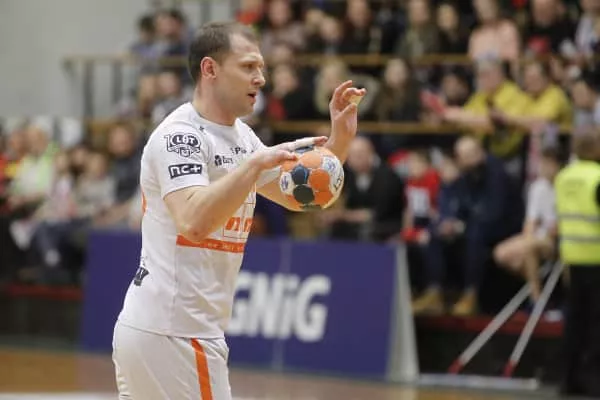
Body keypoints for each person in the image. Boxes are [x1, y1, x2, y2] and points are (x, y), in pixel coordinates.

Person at [111, 21, 365, 400]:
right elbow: (193, 222)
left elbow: (299, 196)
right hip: (175, 332)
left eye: (261, 67)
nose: (261, 78)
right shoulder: (179, 136)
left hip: (176, 332)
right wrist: (252, 168)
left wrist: (340, 139)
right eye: (248, 67)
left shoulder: (242, 137)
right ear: (210, 69)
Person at [555, 128, 600, 397]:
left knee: (574, 322)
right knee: (595, 324)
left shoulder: (563, 177)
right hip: (596, 258)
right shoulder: (597, 177)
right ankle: (592, 379)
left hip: (571, 256)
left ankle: (567, 379)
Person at [493, 147, 562, 303]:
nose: (543, 168)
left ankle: (536, 300)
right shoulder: (537, 187)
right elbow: (531, 221)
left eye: (548, 164)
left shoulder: (564, 187)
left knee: (529, 249)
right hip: (538, 238)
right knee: (501, 253)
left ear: (557, 165)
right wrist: (527, 238)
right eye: (542, 164)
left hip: (557, 240)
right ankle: (543, 291)